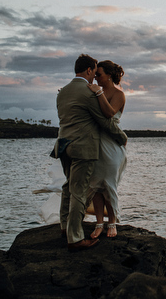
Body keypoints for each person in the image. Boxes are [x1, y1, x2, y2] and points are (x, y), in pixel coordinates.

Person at [52, 54, 127, 251]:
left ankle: (64, 226)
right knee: (79, 192)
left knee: (68, 187)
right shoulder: (88, 92)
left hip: (63, 145)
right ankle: (75, 238)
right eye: (94, 72)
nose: (95, 76)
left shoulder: (63, 92)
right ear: (88, 70)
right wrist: (122, 137)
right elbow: (105, 120)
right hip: (82, 146)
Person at [85, 60, 127, 239]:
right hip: (95, 142)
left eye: (99, 74)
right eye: (95, 75)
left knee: (109, 185)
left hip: (111, 145)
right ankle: (99, 223)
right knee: (95, 185)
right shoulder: (93, 91)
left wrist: (99, 93)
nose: (96, 78)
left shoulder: (118, 94)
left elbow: (109, 113)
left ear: (109, 75)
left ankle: (112, 223)